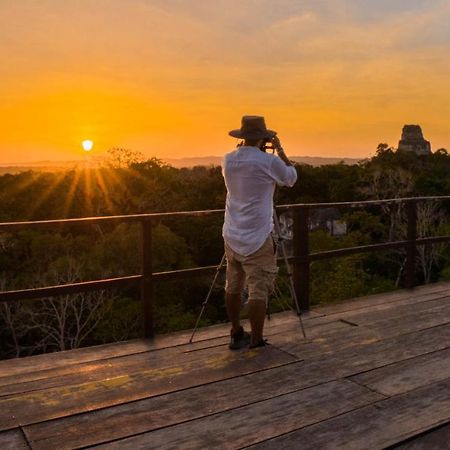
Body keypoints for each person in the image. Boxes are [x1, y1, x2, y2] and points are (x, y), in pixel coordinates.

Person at [222, 115, 298, 349]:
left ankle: (236, 331)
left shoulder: (227, 160)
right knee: (258, 289)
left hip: (232, 234)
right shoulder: (268, 162)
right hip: (258, 236)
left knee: (233, 286)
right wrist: (280, 151)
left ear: (242, 136)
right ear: (263, 137)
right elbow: (291, 178)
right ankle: (256, 339)